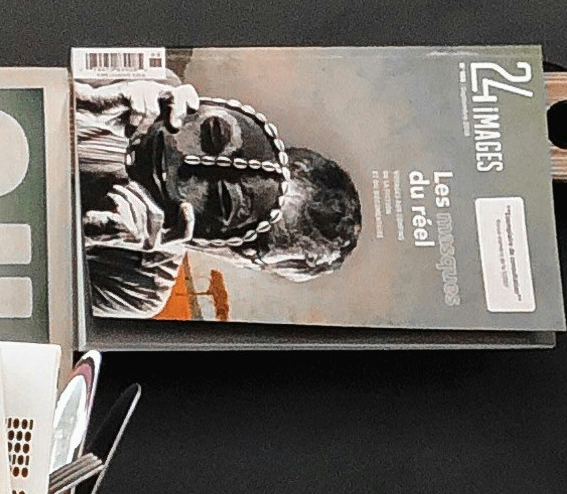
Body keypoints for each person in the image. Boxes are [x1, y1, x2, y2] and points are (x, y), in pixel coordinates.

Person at [76, 64, 360, 320]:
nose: (235, 237)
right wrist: (84, 102)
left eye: (252, 247)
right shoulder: (155, 91)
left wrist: (86, 234)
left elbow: (49, 313)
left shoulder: (141, 290)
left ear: (244, 263)